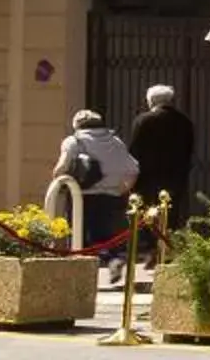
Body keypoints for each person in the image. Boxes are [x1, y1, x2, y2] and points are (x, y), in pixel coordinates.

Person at [55, 110, 142, 288]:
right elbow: (133, 169)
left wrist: (59, 181)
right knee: (106, 236)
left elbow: (62, 167)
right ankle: (114, 259)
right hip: (111, 197)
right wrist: (122, 189)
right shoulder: (115, 142)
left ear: (77, 125)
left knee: (81, 239)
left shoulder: (74, 141)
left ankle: (81, 281)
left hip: (82, 198)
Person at [129, 86, 196, 238]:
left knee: (148, 215)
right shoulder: (184, 122)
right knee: (171, 213)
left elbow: (134, 151)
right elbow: (189, 150)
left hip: (148, 177)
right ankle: (168, 246)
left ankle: (150, 246)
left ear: (151, 101)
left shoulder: (143, 120)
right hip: (176, 176)